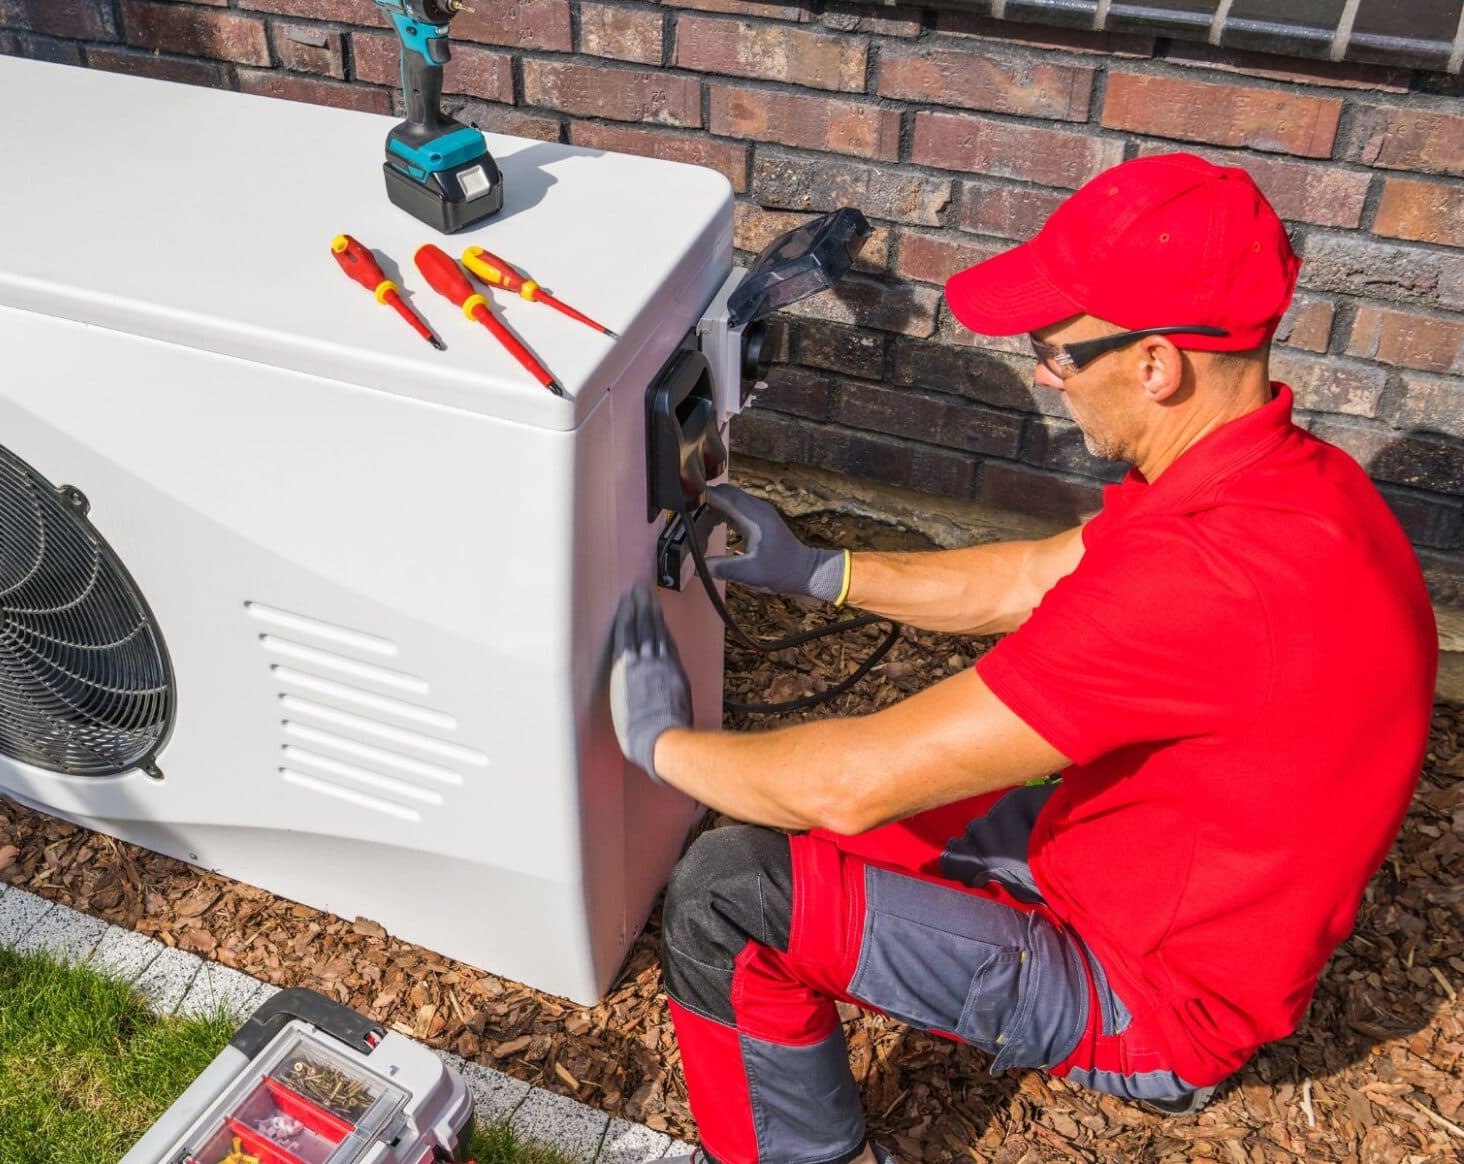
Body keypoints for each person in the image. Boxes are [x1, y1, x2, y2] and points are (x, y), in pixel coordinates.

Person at [605, 153, 1438, 1164]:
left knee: (729, 892)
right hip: (1152, 869)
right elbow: (1033, 579)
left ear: (1155, 365)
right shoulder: (1291, 484)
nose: (1048, 375)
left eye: (1056, 350)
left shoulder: (1204, 580)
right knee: (826, 821)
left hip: (1157, 994)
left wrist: (656, 745)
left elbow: (849, 782)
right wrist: (822, 569)